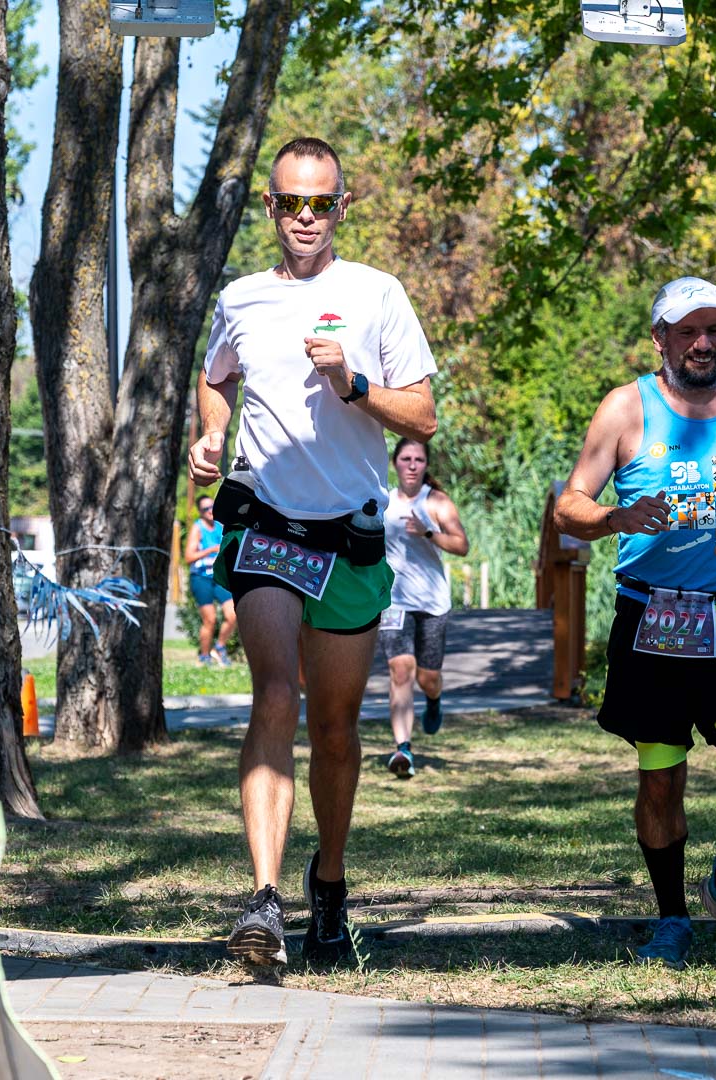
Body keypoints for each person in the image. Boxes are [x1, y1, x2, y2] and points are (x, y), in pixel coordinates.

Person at [189, 136, 437, 970]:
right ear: (269, 207)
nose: (305, 217)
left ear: (342, 206)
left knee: (333, 729)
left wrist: (353, 384)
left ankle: (327, 882)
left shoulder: (376, 294)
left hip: (347, 535)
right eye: (290, 202)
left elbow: (422, 416)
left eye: (320, 203)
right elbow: (215, 378)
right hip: (264, 523)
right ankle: (263, 900)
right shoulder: (242, 298)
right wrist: (214, 434)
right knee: (273, 695)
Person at [554, 276, 716, 970]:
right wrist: (615, 517)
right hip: (653, 614)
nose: (702, 343)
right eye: (687, 331)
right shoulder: (625, 408)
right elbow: (570, 504)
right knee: (660, 776)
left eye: (713, 329)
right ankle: (671, 919)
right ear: (660, 339)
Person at [379, 438, 469, 777]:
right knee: (400, 670)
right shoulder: (383, 501)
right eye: (406, 458)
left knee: (428, 678)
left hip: (432, 602)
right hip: (394, 601)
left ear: (426, 464)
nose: (412, 465)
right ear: (395, 463)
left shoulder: (437, 502)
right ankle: (403, 749)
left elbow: (462, 545)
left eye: (418, 459)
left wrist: (428, 533)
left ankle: (433, 700)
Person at [185, 494, 237, 666]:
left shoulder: (221, 526)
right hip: (201, 578)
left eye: (212, 507)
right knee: (210, 620)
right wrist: (211, 550)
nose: (210, 511)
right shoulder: (198, 528)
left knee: (233, 614)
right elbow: (189, 557)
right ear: (200, 512)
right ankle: (204, 657)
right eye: (205, 509)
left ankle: (219, 648)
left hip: (218, 577)